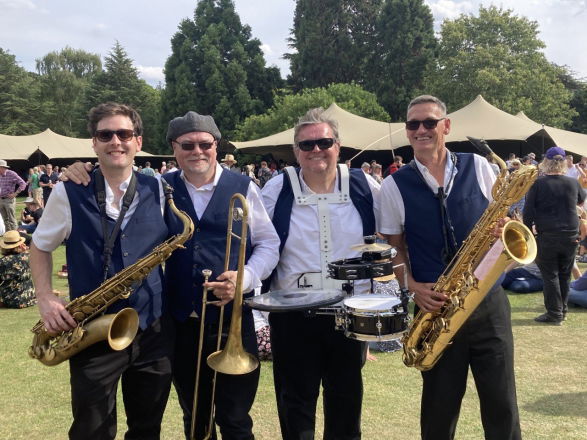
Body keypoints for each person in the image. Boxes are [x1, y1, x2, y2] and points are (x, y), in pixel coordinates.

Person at [379, 95, 521, 440]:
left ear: (446, 126)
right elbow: (392, 247)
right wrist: (412, 286)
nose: (421, 130)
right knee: (439, 411)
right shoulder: (393, 185)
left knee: (502, 404)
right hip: (435, 307)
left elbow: (504, 219)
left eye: (429, 122)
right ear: (407, 131)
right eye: (413, 124)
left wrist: (504, 227)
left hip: (488, 301)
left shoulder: (479, 165)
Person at [30, 102, 174, 440]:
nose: (115, 141)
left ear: (138, 141)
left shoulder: (160, 189)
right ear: (93, 143)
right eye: (105, 135)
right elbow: (39, 246)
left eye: (124, 133)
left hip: (152, 330)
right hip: (92, 331)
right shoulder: (68, 190)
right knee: (91, 430)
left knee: (147, 428)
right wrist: (45, 297)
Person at [262, 107, 380, 440]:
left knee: (346, 405)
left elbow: (392, 233)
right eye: (307, 144)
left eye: (324, 142)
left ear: (337, 146)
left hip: (348, 313)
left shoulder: (363, 184)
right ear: (296, 150)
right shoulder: (277, 188)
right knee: (295, 406)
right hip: (292, 314)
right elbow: (260, 243)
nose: (316, 150)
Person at [162, 111, 280, 439]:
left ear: (216, 146)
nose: (197, 151)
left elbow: (269, 243)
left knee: (236, 418)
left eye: (205, 144)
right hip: (183, 321)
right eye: (188, 145)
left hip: (234, 320)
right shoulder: (161, 187)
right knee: (194, 416)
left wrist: (245, 278)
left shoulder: (243, 186)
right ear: (174, 148)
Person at [523, 146, 585, 325]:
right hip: (570, 235)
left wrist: (528, 235)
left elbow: (528, 212)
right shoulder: (572, 183)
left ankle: (554, 313)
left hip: (548, 235)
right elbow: (581, 200)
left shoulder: (538, 184)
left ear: (546, 162)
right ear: (564, 162)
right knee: (565, 275)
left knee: (550, 275)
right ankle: (562, 311)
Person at [0, 230, 36, 308]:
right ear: (20, 245)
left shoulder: (3, 262)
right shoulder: (29, 256)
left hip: (11, 301)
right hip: (29, 298)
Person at [0, 159, 27, 231]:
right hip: (1, 200)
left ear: (2, 167)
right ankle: (8, 235)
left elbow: (23, 183)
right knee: (5, 219)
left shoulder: (11, 174)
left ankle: (15, 235)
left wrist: (15, 193)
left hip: (9, 200)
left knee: (11, 219)